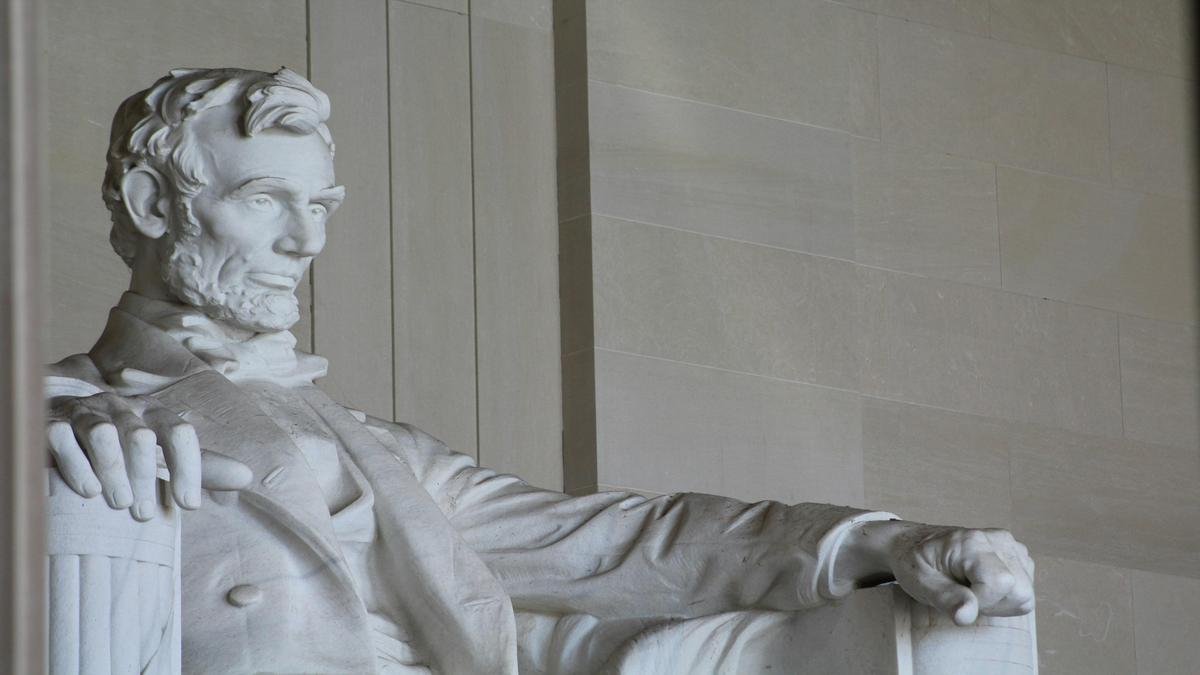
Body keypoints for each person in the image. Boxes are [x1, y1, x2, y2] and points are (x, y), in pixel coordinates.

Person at [44, 67, 1034, 674]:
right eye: (268, 201)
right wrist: (47, 462)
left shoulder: (383, 453)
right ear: (152, 202)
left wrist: (878, 541)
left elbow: (617, 541)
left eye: (322, 208)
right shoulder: (53, 419)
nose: (306, 242)